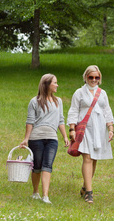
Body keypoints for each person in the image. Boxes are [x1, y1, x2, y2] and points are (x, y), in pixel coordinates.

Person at [67, 65, 114, 204]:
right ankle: (89, 193)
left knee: (94, 159)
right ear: (85, 77)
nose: (94, 80)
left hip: (100, 129)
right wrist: (72, 128)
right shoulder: (79, 93)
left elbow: (107, 110)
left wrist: (110, 128)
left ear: (99, 78)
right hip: (85, 129)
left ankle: (84, 186)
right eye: (91, 77)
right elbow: (73, 110)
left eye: (96, 77)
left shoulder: (102, 93)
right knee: (87, 158)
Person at [20, 74, 69, 204]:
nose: (57, 85)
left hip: (52, 138)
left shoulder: (58, 101)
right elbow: (30, 122)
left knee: (47, 165)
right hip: (36, 138)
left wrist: (65, 136)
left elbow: (61, 120)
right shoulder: (34, 101)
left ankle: (45, 196)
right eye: (55, 83)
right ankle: (35, 192)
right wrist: (26, 139)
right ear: (47, 84)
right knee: (37, 166)